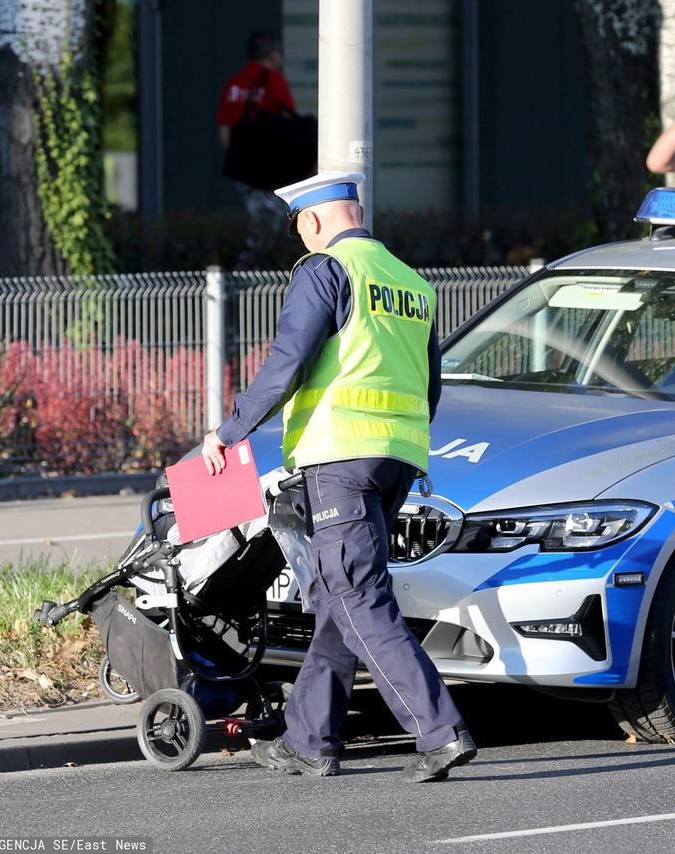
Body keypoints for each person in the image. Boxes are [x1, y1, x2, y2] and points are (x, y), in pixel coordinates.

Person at [201, 172, 475, 783]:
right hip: (398, 457)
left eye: (299, 227)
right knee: (338, 598)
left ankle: (440, 730)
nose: (300, 239)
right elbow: (430, 385)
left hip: (339, 457)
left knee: (356, 595)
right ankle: (310, 739)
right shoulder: (410, 281)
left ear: (316, 222)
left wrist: (230, 429)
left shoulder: (323, 270)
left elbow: (288, 360)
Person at [217, 32, 299, 254]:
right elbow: (289, 122)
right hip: (270, 169)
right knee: (280, 223)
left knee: (256, 222)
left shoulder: (234, 83)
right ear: (273, 55)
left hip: (244, 172)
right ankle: (262, 269)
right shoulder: (273, 79)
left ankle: (247, 266)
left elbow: (224, 132)